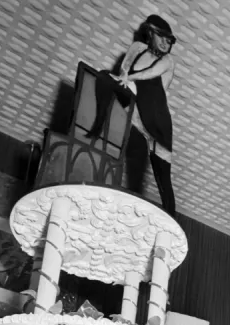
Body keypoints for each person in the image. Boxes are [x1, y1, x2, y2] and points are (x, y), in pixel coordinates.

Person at [88, 14, 177, 215]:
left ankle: (172, 223)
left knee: (163, 179)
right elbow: (125, 65)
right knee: (102, 77)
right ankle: (96, 127)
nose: (166, 43)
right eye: (162, 37)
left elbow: (149, 74)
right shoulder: (138, 47)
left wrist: (129, 78)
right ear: (150, 33)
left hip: (157, 122)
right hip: (135, 109)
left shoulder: (168, 61)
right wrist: (124, 75)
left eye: (169, 40)